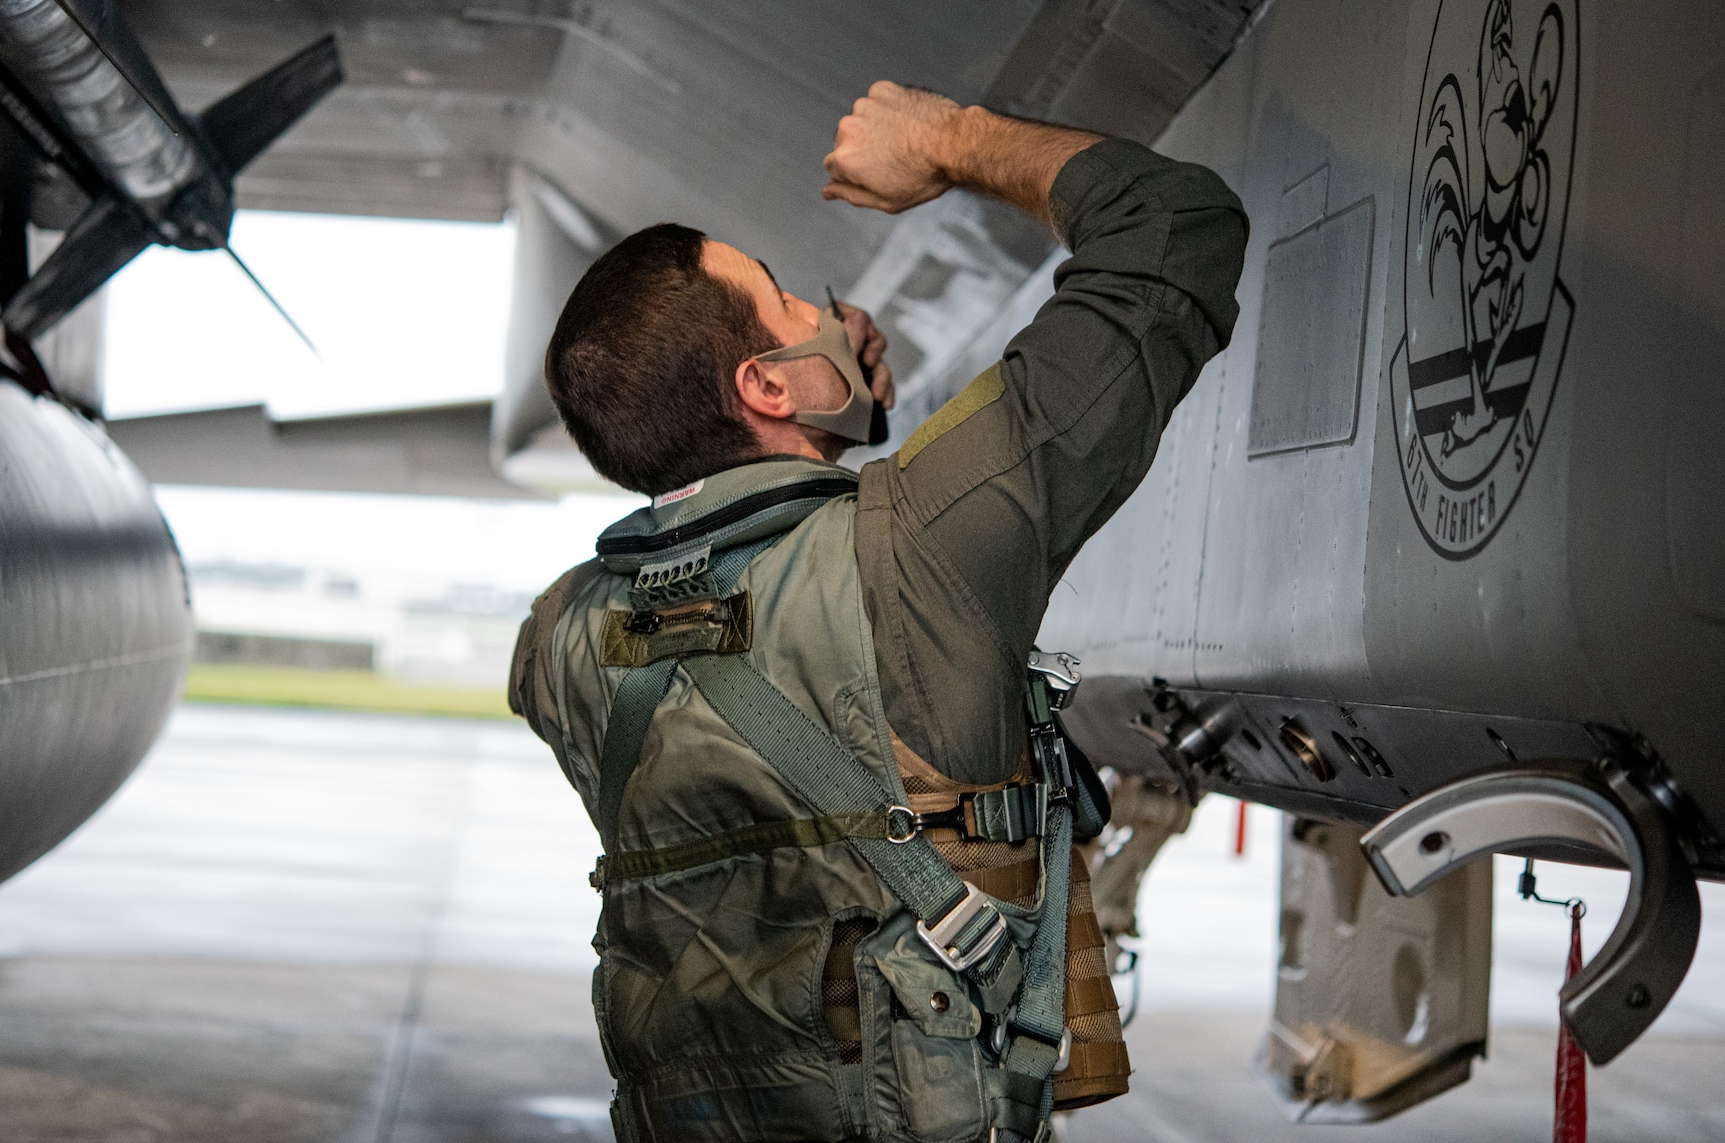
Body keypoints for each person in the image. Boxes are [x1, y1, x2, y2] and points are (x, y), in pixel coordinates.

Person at [509, 82, 1248, 1142]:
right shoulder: (916, 547)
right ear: (764, 386)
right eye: (784, 300)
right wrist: (948, 142)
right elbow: (1173, 229)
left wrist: (827, 419)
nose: (824, 312)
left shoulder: (556, 639)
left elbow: (760, 632)